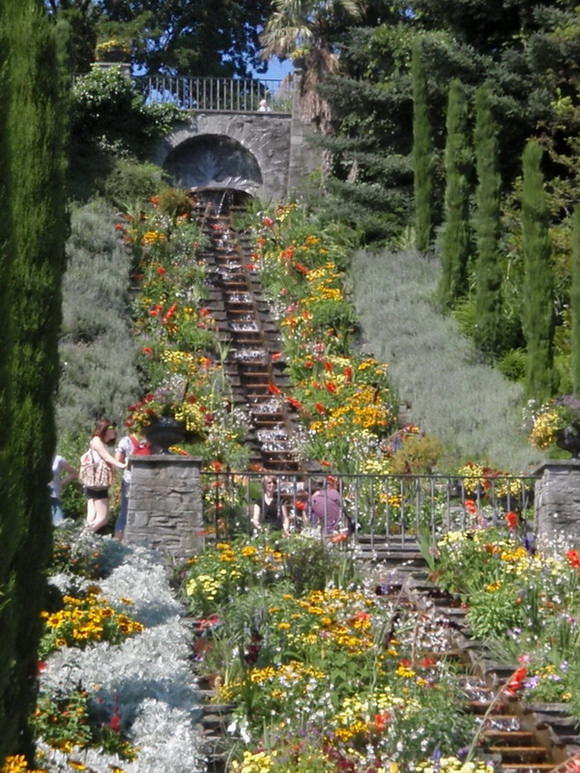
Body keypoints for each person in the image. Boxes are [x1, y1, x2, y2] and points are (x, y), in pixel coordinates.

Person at [84, 419, 126, 534]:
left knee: (92, 517)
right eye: (111, 428)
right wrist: (122, 465)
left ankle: (86, 540)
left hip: (94, 484)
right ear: (104, 429)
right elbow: (106, 457)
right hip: (98, 484)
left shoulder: (101, 442)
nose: (114, 431)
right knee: (103, 519)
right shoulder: (96, 441)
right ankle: (82, 537)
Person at [114, 429, 152, 541]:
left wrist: (127, 465)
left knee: (125, 513)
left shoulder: (125, 441)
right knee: (145, 512)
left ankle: (117, 542)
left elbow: (117, 461)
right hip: (148, 482)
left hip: (129, 481)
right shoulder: (151, 440)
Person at [49, 454, 76, 526]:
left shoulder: (59, 459)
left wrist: (61, 483)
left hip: (54, 494)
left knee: (59, 522)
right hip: (39, 493)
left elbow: (72, 473)